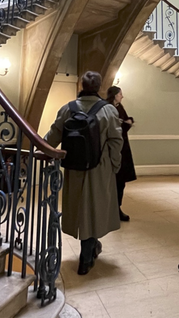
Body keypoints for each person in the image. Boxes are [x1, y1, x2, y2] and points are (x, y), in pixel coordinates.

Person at [46, 71, 123, 275]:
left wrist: (40, 149)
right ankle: (87, 254)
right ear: (99, 87)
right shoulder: (108, 111)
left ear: (81, 85)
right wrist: (115, 165)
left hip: (74, 167)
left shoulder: (67, 109)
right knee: (96, 206)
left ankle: (89, 248)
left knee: (79, 206)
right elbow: (116, 141)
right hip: (100, 167)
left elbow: (53, 135)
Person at [106, 86, 137, 221]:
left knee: (120, 182)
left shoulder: (119, 107)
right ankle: (111, 209)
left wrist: (128, 121)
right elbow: (116, 128)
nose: (122, 96)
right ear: (114, 95)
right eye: (120, 94)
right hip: (113, 149)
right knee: (113, 182)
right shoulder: (109, 108)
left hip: (122, 148)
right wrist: (126, 123)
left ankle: (116, 208)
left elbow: (123, 122)